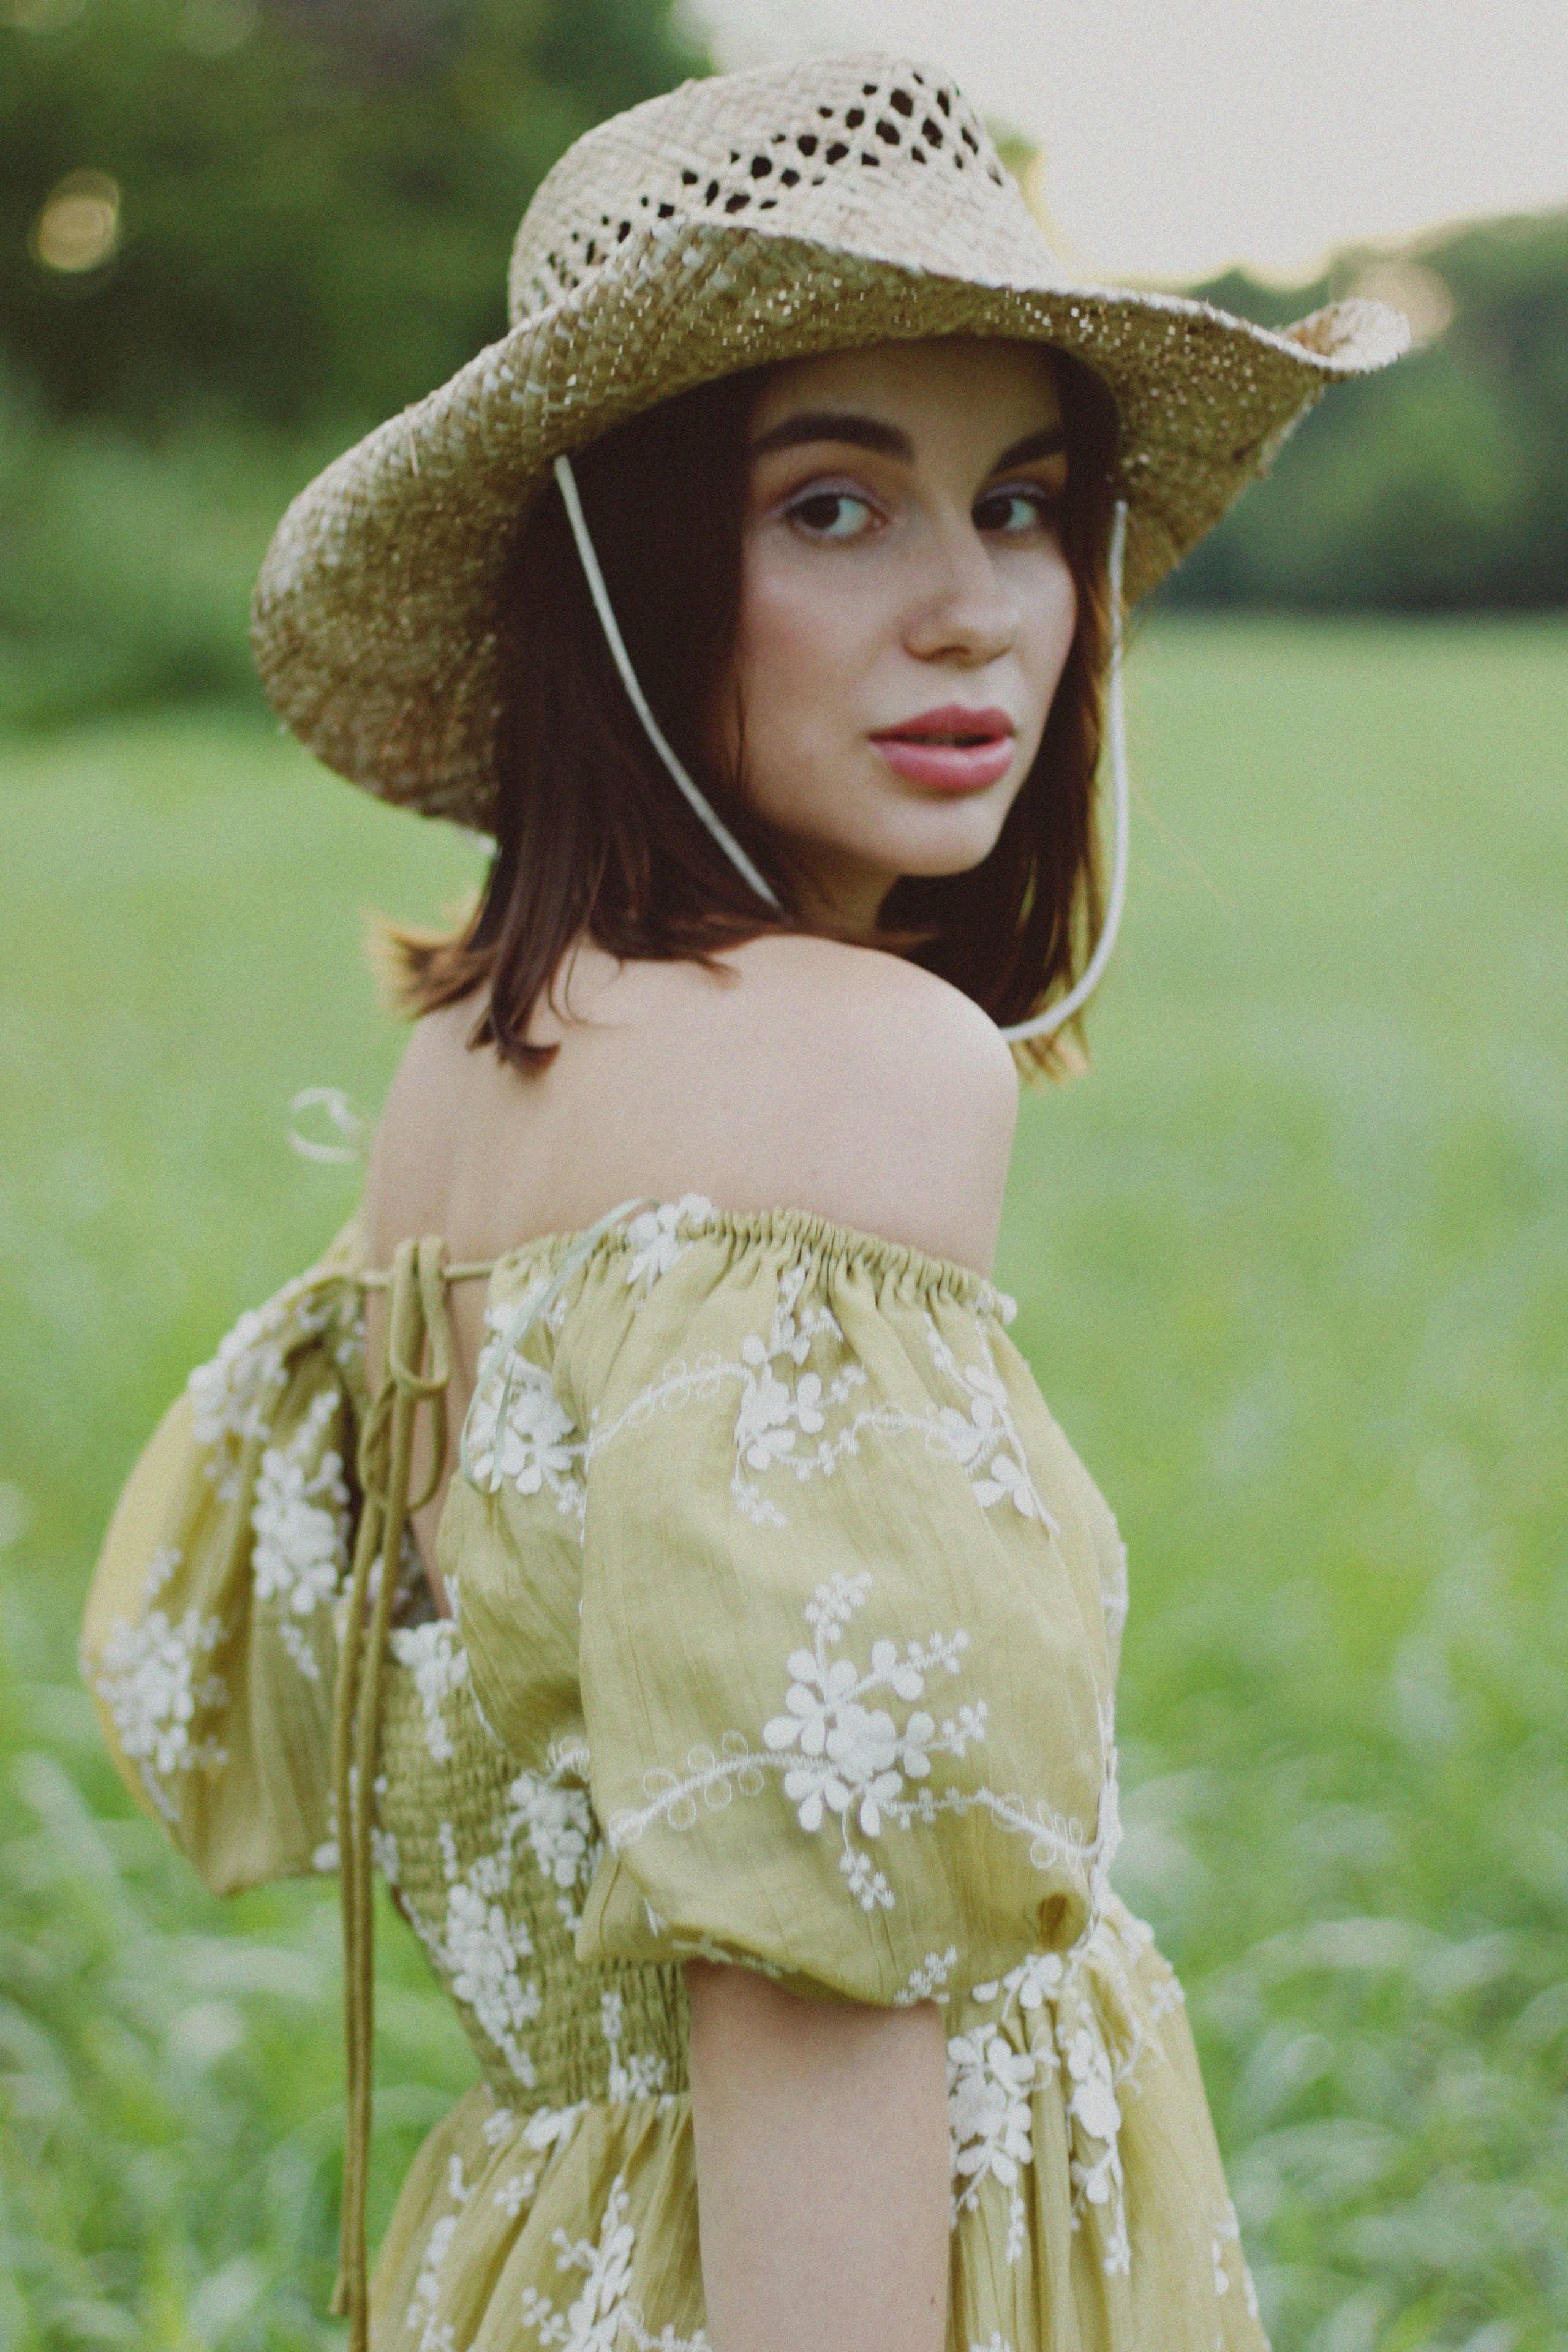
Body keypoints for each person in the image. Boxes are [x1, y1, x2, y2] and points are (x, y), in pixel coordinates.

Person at [81, 51, 1406, 2352]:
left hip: (548, 2258)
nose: (977, 610)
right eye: (834, 505)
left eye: (1022, 504)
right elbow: (811, 1947)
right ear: (629, 567)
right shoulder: (861, 1066)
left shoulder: (460, 1070)